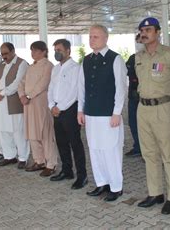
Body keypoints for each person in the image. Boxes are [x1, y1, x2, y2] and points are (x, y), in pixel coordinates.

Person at [135, 18, 170, 215]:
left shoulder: (169, 55)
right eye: (142, 30)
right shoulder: (139, 56)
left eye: (148, 29)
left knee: (168, 155)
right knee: (149, 154)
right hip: (143, 108)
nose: (144, 33)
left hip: (164, 108)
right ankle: (155, 193)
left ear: (158, 32)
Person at [78, 24, 127, 202]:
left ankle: (116, 186)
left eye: (96, 37)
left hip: (108, 114)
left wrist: (117, 112)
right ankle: (101, 183)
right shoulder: (87, 60)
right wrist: (80, 110)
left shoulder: (115, 59)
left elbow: (121, 88)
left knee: (111, 150)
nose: (92, 40)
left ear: (106, 38)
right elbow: (81, 87)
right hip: (91, 113)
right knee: (95, 149)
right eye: (90, 36)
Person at [48, 39, 87, 189]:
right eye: (55, 50)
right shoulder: (56, 69)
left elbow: (75, 92)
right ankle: (67, 170)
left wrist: (61, 107)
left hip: (70, 110)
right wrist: (52, 105)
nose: (57, 53)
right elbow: (50, 88)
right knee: (61, 142)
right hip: (56, 110)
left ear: (68, 51)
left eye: (59, 50)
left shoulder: (76, 68)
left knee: (75, 143)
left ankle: (82, 176)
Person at [19, 41, 57, 177]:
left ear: (44, 51)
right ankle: (39, 160)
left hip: (41, 103)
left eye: (35, 50)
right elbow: (21, 82)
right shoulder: (31, 67)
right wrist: (22, 95)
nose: (32, 53)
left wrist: (28, 95)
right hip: (28, 104)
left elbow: (43, 84)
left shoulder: (48, 66)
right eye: (31, 50)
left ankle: (51, 164)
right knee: (32, 134)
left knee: (45, 133)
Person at [0, 42, 29, 169]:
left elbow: (18, 83)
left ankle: (23, 157)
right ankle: (9, 156)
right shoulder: (1, 64)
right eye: (2, 54)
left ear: (13, 51)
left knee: (18, 131)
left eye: (6, 53)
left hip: (13, 102)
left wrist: (2, 93)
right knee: (3, 130)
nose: (4, 56)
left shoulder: (22, 63)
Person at [124, 34, 143, 157]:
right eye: (138, 41)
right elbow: (125, 72)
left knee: (146, 125)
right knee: (133, 122)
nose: (139, 43)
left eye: (141, 41)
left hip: (146, 98)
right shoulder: (132, 58)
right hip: (133, 96)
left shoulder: (154, 58)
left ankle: (148, 149)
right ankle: (138, 147)